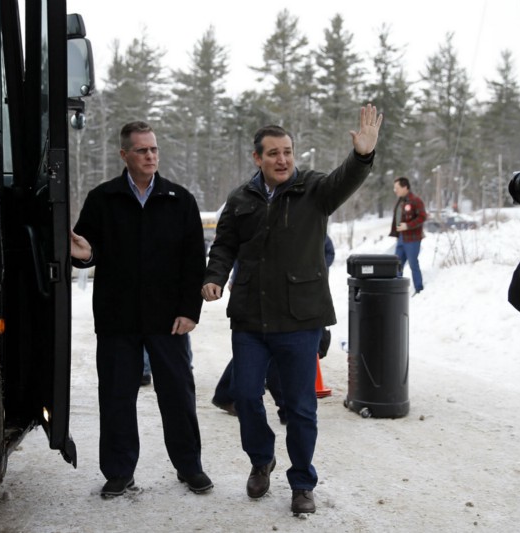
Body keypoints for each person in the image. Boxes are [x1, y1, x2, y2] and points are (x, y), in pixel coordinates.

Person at [202, 104, 383, 515]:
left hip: (300, 318)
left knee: (301, 406)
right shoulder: (240, 198)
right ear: (257, 158)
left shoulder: (315, 190)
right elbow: (225, 245)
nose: (282, 159)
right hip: (250, 316)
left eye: (287, 151)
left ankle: (302, 482)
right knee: (245, 396)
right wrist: (214, 276)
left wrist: (362, 156)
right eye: (273, 153)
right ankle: (261, 459)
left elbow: (345, 180)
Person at [70, 120, 212, 498]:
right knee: (116, 396)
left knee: (178, 395)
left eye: (154, 150)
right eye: (142, 150)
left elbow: (194, 260)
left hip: (169, 319)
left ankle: (189, 466)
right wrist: (85, 256)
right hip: (118, 317)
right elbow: (87, 247)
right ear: (124, 155)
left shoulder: (179, 199)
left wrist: (189, 310)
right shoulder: (103, 198)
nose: (150, 156)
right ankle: (118, 471)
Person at [212, 235, 335, 422]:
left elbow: (327, 251)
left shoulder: (304, 218)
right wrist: (236, 277)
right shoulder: (255, 213)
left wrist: (309, 275)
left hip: (296, 298)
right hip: (262, 297)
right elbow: (243, 248)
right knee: (261, 350)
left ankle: (228, 395)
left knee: (263, 351)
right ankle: (285, 409)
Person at [389, 176, 427, 295]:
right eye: (394, 188)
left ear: (405, 187)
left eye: (397, 188)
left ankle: (419, 289)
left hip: (412, 239)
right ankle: (397, 291)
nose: (395, 190)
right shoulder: (400, 201)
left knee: (413, 263)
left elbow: (422, 217)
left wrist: (408, 225)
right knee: (396, 265)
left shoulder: (416, 200)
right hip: (401, 238)